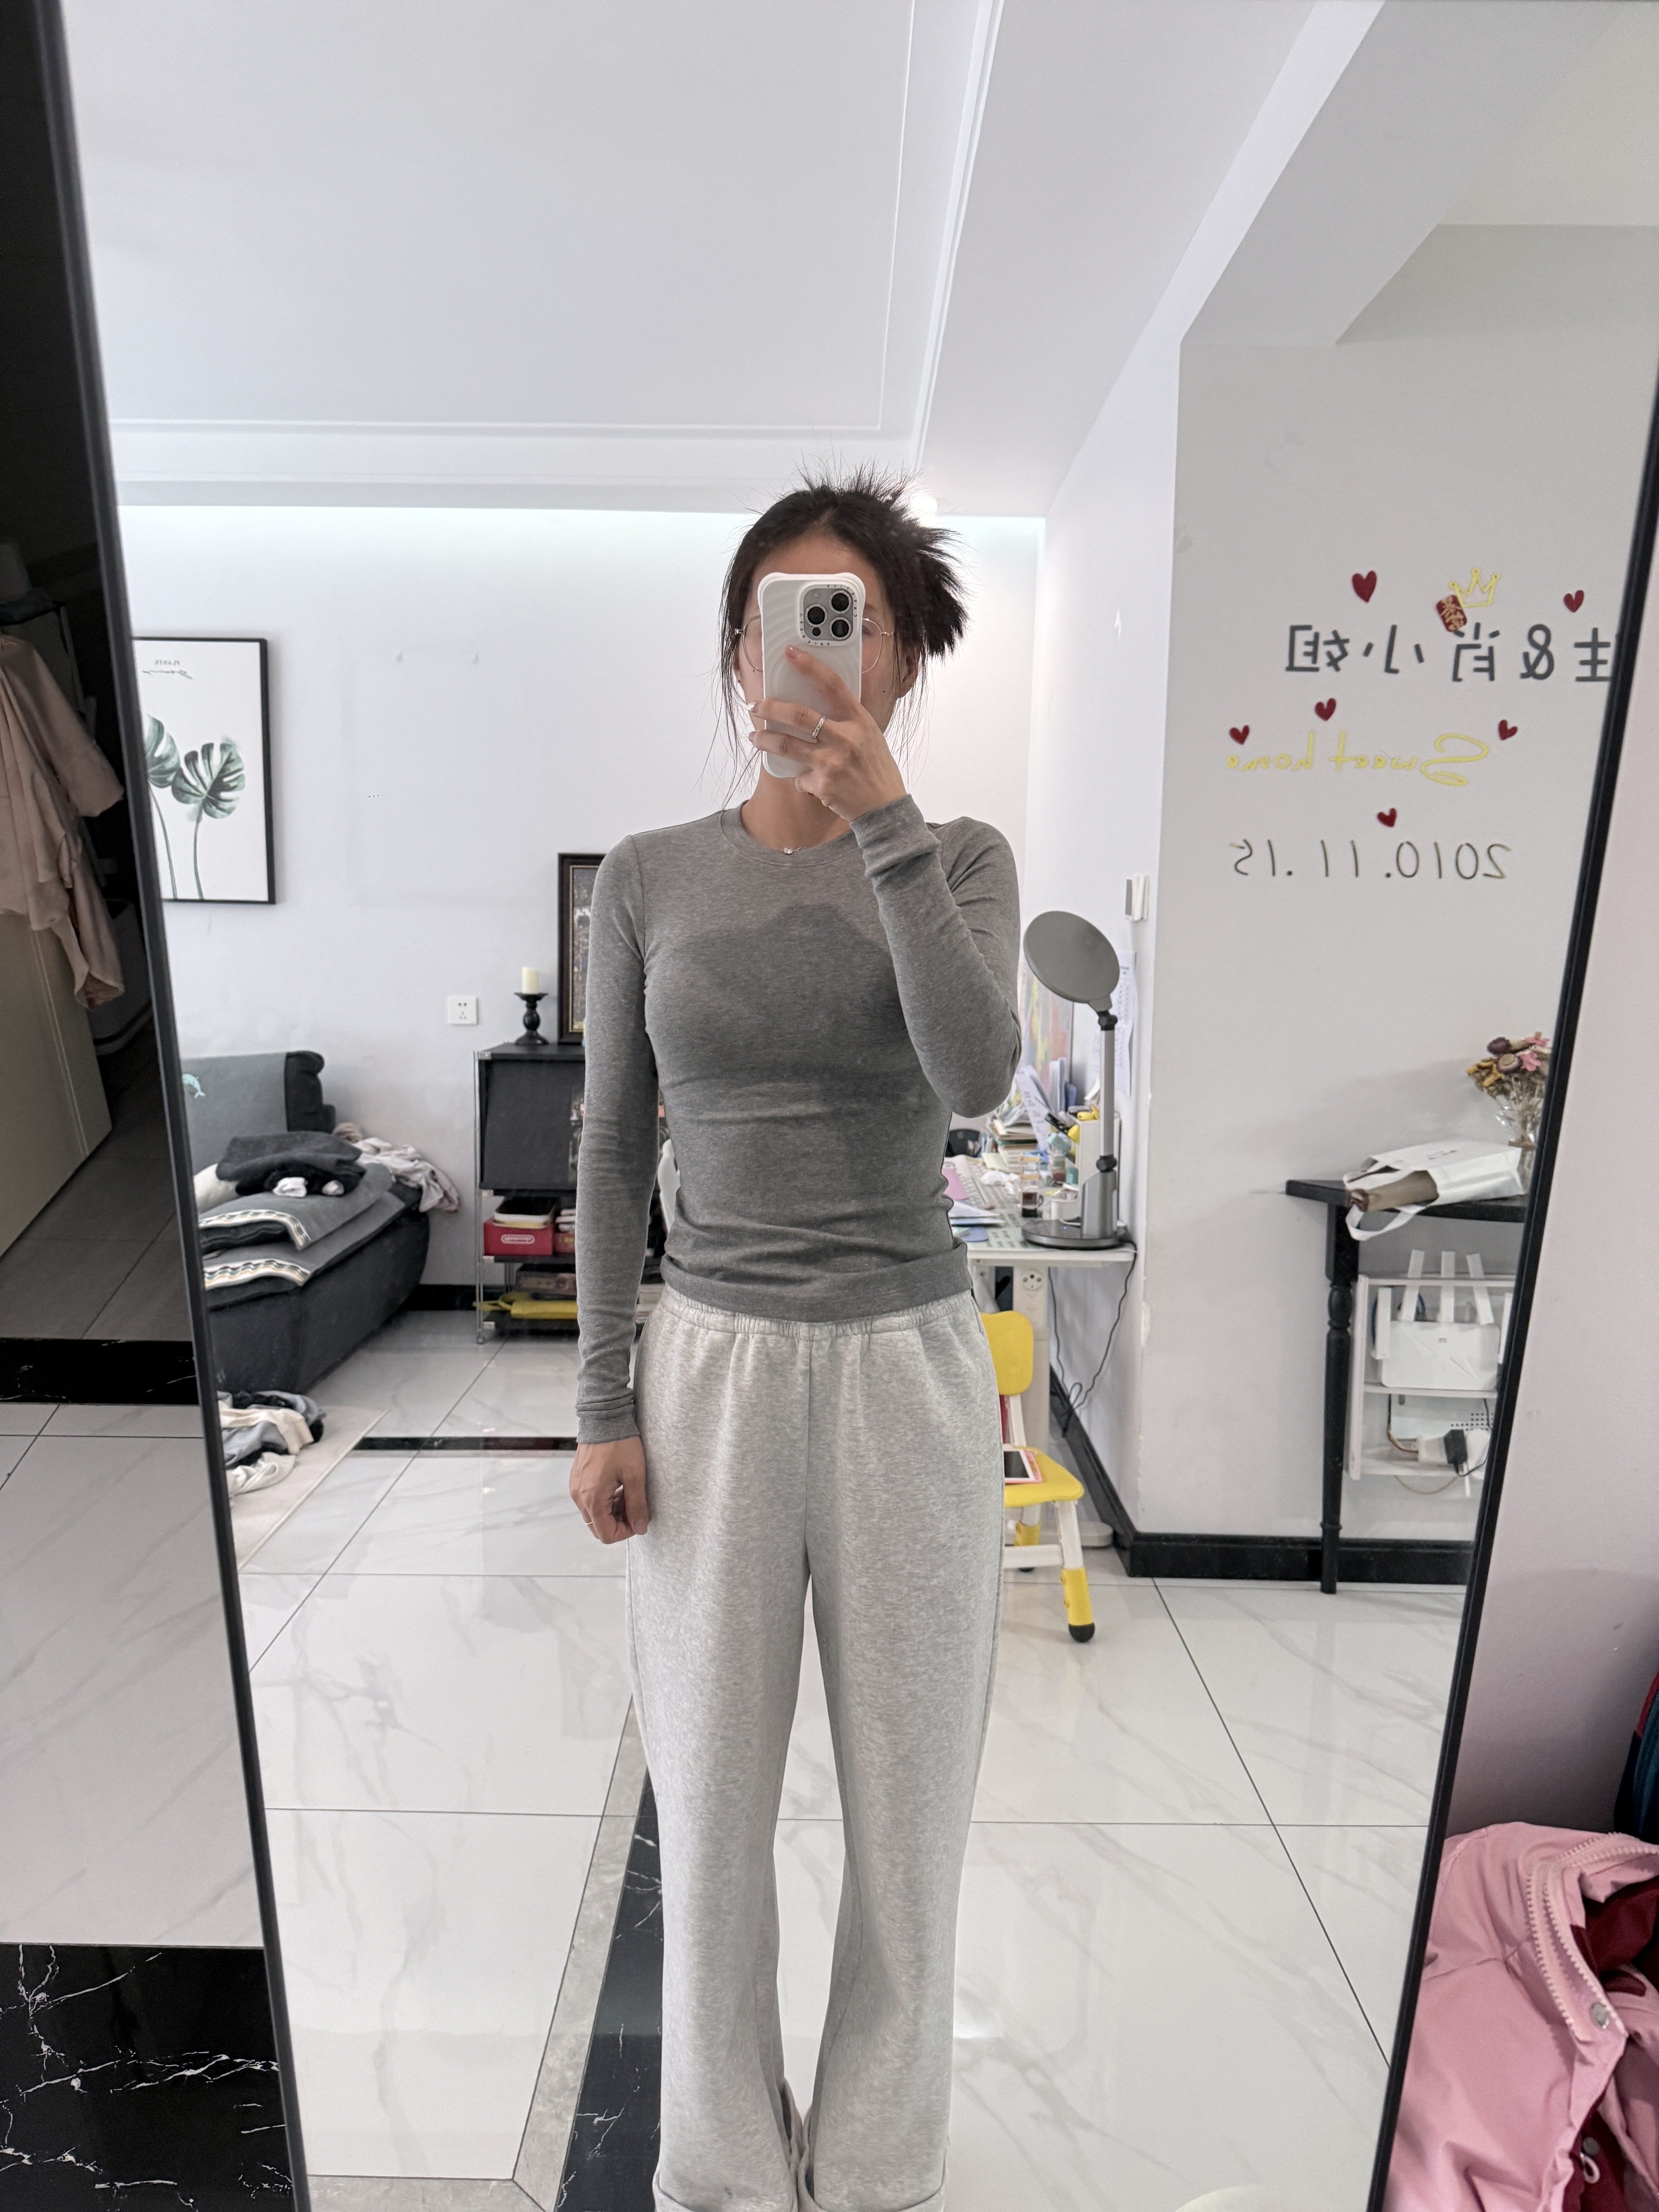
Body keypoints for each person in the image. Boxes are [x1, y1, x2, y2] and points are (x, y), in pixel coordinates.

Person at [570, 467, 1021, 2212]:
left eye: (856, 625)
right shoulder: (647, 877)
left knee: (909, 1821)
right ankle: (724, 2172)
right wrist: (601, 1399)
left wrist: (881, 818)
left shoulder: (961, 859)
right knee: (710, 1815)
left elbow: (975, 1076)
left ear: (901, 659)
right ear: (739, 648)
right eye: (786, 619)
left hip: (908, 1363)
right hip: (710, 1372)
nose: (819, 656)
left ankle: (882, 2170)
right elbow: (612, 1145)